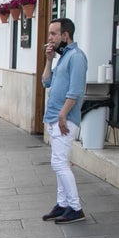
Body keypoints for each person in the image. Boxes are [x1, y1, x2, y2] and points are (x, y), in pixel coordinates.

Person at [41, 18, 88, 224]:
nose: (50, 38)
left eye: (53, 34)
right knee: (58, 162)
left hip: (64, 118)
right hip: (54, 117)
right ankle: (62, 204)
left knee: (59, 163)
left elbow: (75, 90)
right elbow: (46, 81)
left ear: (65, 35)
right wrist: (49, 59)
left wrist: (62, 114)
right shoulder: (63, 57)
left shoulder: (77, 57)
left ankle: (76, 208)